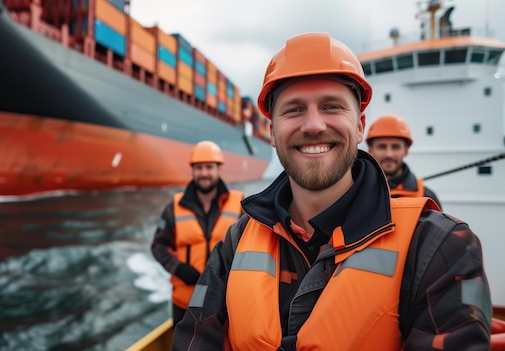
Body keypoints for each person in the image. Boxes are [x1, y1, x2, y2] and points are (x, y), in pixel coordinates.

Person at [172, 32, 491, 350]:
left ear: (360, 125)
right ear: (271, 132)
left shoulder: (439, 247)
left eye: (331, 106)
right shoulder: (236, 239)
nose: (313, 125)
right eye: (294, 109)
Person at [151, 140, 244, 325]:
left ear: (219, 169)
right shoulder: (174, 208)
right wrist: (179, 269)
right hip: (184, 304)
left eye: (209, 167)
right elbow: (158, 246)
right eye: (199, 168)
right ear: (192, 170)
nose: (204, 173)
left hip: (223, 305)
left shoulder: (240, 206)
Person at [366, 114, 442, 208]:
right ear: (370, 150)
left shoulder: (427, 197)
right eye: (382, 147)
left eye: (395, 147)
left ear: (406, 150)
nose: (389, 154)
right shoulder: (355, 192)